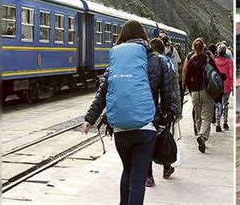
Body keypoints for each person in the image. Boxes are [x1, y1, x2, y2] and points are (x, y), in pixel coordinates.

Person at [81, 20, 172, 205]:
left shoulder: (116, 61)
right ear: (144, 38)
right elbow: (166, 94)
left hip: (121, 128)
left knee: (127, 171)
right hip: (146, 127)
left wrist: (89, 119)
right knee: (138, 179)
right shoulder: (156, 60)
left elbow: (103, 92)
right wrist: (165, 119)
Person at [145, 38, 181, 187]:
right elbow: (174, 87)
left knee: (147, 140)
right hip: (165, 107)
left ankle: (149, 176)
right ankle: (166, 168)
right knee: (164, 136)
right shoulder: (168, 63)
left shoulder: (145, 62)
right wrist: (176, 109)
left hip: (148, 106)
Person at [185, 38, 221, 153]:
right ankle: (202, 136)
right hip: (206, 91)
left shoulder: (191, 60)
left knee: (198, 116)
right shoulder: (208, 59)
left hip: (195, 92)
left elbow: (186, 77)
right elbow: (216, 74)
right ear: (203, 47)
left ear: (193, 48)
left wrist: (190, 90)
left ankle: (201, 139)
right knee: (207, 117)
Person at [215, 44, 233, 132]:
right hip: (226, 85)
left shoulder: (215, 62)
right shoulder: (229, 62)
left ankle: (218, 123)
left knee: (218, 104)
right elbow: (231, 75)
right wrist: (232, 87)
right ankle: (225, 122)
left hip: (217, 86)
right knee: (225, 104)